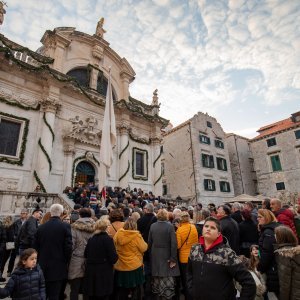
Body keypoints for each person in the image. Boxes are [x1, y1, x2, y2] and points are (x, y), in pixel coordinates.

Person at [186, 217, 255, 300]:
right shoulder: (194, 249)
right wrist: (192, 289)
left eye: (212, 227)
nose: (208, 229)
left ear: (218, 234)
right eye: (206, 226)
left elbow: (248, 282)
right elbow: (189, 272)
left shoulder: (226, 253)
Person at [35, 204, 72, 300]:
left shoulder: (41, 227)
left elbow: (36, 246)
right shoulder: (65, 226)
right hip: (58, 266)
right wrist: (66, 261)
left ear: (50, 212)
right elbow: (68, 247)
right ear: (61, 213)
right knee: (54, 294)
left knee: (43, 293)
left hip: (42, 265)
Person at [148, 208, 180, 300]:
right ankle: (165, 295)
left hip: (155, 253)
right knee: (166, 277)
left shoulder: (153, 226)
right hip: (166, 254)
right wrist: (173, 258)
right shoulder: (170, 226)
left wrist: (150, 254)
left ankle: (158, 294)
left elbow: (149, 242)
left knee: (157, 276)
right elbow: (174, 243)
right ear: (166, 216)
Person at [83, 217, 118, 300]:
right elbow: (113, 258)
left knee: (92, 296)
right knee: (103, 295)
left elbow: (86, 254)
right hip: (104, 272)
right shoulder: (108, 239)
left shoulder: (91, 239)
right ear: (105, 227)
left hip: (91, 271)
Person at [114, 217, 147, 299]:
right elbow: (144, 248)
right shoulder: (136, 236)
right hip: (134, 265)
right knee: (136, 288)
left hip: (121, 265)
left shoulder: (118, 234)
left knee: (122, 289)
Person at [68, 208, 95, 300]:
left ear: (80, 215)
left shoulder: (74, 227)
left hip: (76, 259)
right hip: (90, 260)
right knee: (87, 289)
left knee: (74, 288)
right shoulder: (95, 226)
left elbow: (71, 244)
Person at [256, 209, 279, 298]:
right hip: (273, 265)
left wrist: (260, 267)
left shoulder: (268, 232)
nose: (257, 219)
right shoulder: (270, 229)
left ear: (267, 218)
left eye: (260, 217)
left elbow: (267, 252)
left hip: (271, 267)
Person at [176, 211, 198, 300]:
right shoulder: (193, 227)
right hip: (193, 255)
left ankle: (187, 296)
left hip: (184, 258)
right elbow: (196, 242)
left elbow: (178, 245)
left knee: (185, 280)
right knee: (192, 278)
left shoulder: (179, 230)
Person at [274, 225, 300, 300]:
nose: (274, 236)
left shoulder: (284, 254)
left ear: (281, 237)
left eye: (276, 234)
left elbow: (285, 283)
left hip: (294, 295)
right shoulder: (296, 251)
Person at [0, 216, 15, 282]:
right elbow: (11, 237)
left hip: (2, 246)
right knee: (3, 262)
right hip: (7, 247)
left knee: (1, 261)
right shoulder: (11, 226)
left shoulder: (2, 226)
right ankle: (0, 275)